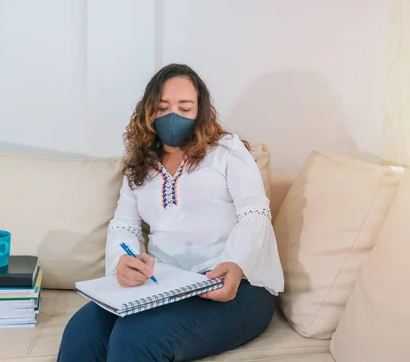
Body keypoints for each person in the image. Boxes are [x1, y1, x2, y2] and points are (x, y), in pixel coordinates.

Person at [57, 63, 284, 362]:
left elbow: (255, 213)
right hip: (167, 286)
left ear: (200, 111)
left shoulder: (227, 152)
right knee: (81, 330)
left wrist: (237, 263)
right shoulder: (140, 165)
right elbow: (124, 225)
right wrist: (123, 261)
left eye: (184, 106)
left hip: (236, 287)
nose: (172, 116)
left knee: (136, 338)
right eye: (162, 107)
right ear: (149, 112)